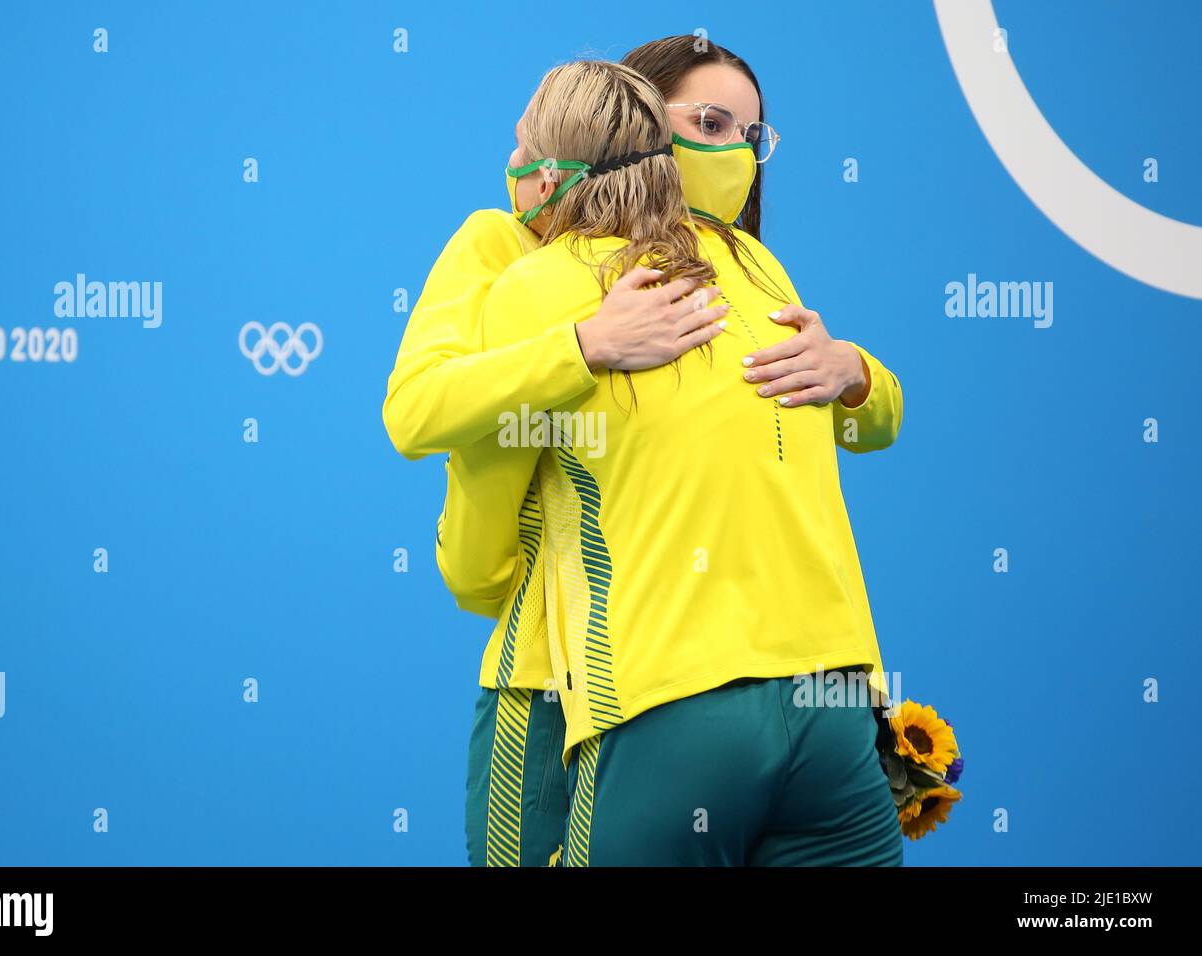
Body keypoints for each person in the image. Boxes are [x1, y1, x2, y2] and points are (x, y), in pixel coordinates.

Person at [385, 35, 903, 866]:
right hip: (558, 674)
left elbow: (841, 422)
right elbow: (426, 412)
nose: (733, 150)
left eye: (749, 135)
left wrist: (853, 371)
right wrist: (584, 344)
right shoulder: (510, 251)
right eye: (708, 122)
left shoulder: (750, 265)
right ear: (640, 125)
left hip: (654, 673)